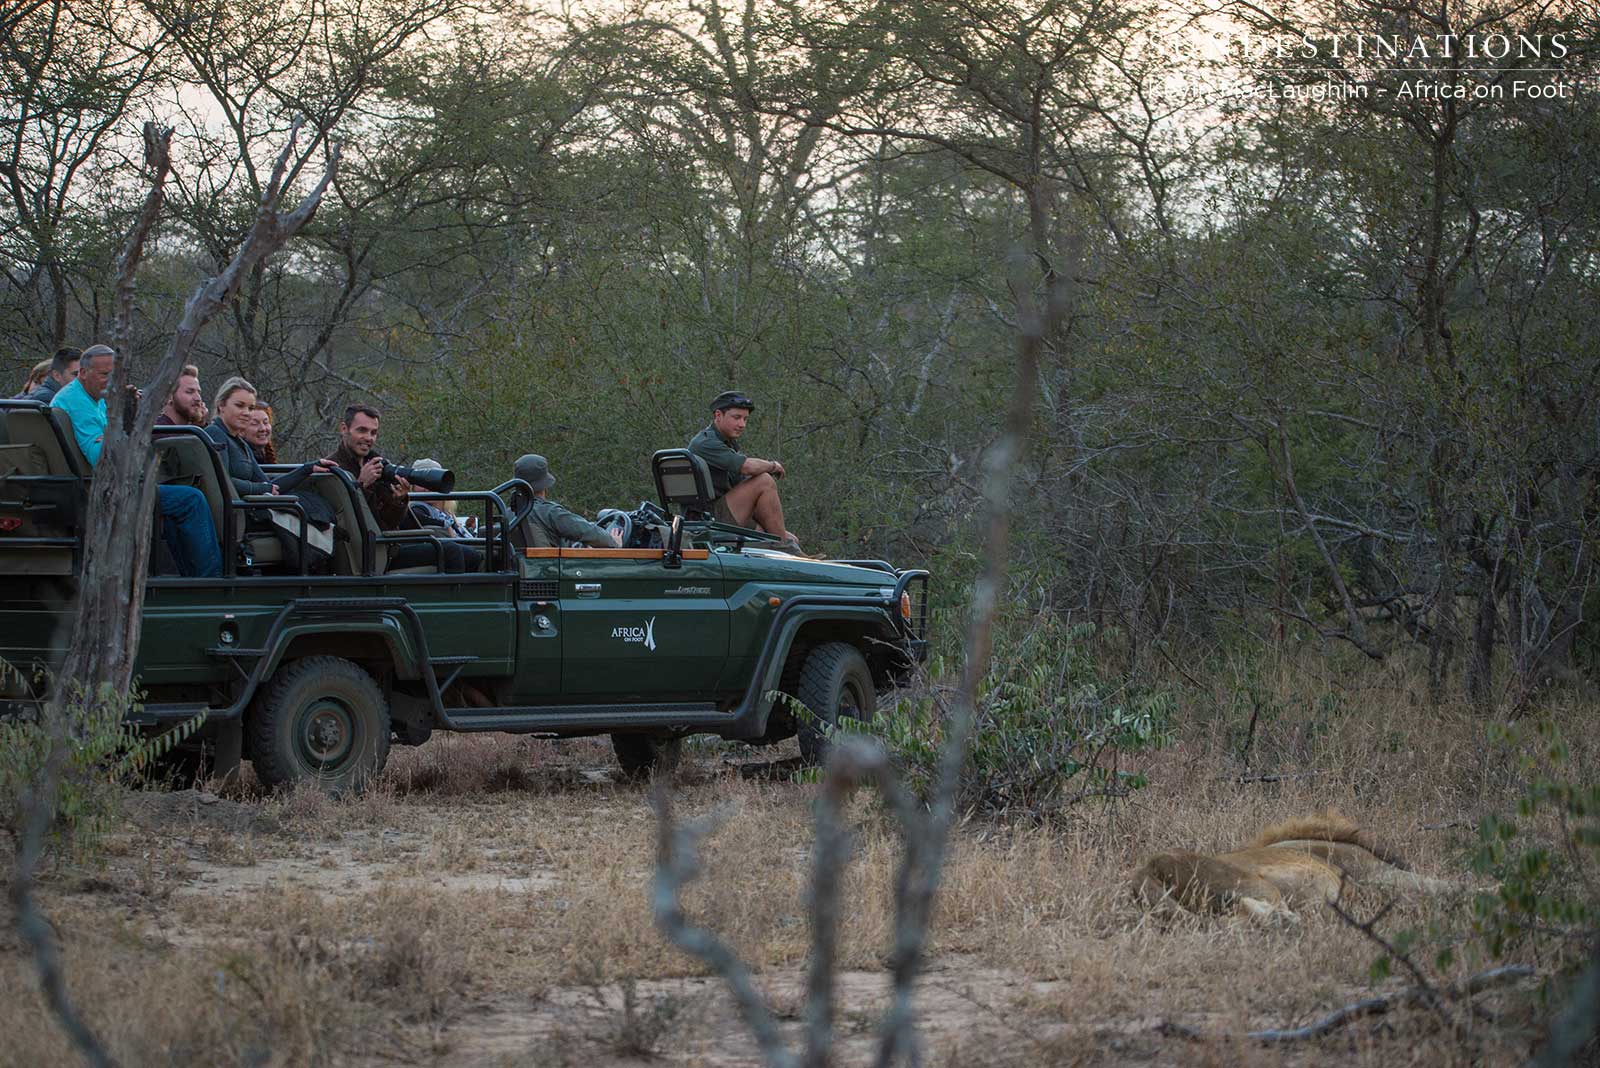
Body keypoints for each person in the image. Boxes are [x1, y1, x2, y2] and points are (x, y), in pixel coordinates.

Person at [51, 345, 222, 577]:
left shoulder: (96, 397)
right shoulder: (77, 402)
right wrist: (127, 420)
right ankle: (213, 579)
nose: (111, 382)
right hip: (104, 490)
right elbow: (98, 456)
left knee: (175, 500)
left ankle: (191, 577)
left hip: (113, 483)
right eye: (104, 375)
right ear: (83, 373)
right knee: (191, 499)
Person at [322, 404, 478, 572]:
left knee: (474, 555)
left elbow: (389, 521)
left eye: (373, 433)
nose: (369, 438)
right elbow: (346, 520)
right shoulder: (332, 470)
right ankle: (451, 598)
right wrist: (361, 485)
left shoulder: (378, 465)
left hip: (390, 543)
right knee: (451, 551)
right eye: (362, 430)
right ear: (344, 429)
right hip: (368, 552)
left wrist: (398, 500)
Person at [686, 389, 801, 552]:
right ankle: (787, 550)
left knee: (789, 538)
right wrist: (773, 465)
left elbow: (742, 486)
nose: (742, 424)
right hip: (708, 518)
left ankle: (787, 548)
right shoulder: (705, 443)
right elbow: (748, 467)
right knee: (764, 481)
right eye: (736, 418)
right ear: (718, 415)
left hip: (719, 514)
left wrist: (775, 530)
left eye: (745, 419)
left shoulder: (726, 443)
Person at [508, 454, 621, 548]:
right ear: (545, 485)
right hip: (550, 571)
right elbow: (587, 532)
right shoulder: (549, 512)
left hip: (525, 569)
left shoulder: (508, 514)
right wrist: (614, 542)